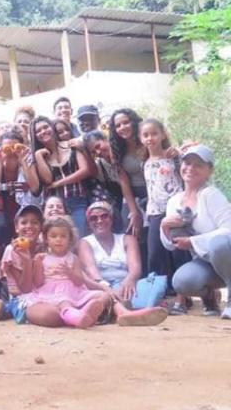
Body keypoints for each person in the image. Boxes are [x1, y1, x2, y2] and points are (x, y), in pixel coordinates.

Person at [161, 145, 231, 319]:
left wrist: (192, 241)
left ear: (209, 171)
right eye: (187, 163)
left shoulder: (211, 194)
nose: (190, 168)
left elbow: (229, 229)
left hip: (225, 255)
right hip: (206, 262)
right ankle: (209, 297)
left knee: (219, 244)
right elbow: (171, 246)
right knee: (181, 282)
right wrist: (164, 227)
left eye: (198, 165)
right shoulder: (174, 201)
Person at [78, 201, 169, 326]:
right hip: (100, 285)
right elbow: (91, 270)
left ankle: (121, 310)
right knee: (102, 295)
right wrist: (107, 288)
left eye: (104, 216)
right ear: (89, 223)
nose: (99, 221)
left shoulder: (128, 239)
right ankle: (125, 312)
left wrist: (130, 280)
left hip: (126, 284)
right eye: (94, 218)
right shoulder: (84, 242)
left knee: (155, 283)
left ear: (112, 218)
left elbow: (135, 268)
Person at [21, 216, 108, 328]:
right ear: (46, 239)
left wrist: (70, 273)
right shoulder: (42, 258)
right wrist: (37, 264)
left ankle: (85, 312)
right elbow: (38, 283)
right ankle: (76, 317)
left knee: (103, 296)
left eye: (63, 236)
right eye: (53, 236)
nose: (58, 239)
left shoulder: (73, 258)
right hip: (51, 293)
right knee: (64, 301)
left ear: (70, 239)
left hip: (74, 292)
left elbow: (79, 281)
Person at [140, 118, 190, 312]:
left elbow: (187, 175)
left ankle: (182, 298)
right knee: (155, 254)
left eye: (154, 133)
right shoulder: (144, 163)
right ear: (141, 138)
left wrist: (179, 154)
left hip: (174, 210)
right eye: (145, 135)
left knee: (179, 252)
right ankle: (157, 298)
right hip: (154, 213)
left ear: (162, 135)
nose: (150, 138)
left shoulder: (174, 157)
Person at [32, 116, 92, 236]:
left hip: (77, 200)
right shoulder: (39, 156)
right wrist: (38, 156)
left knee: (79, 237)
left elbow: (85, 170)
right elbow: (48, 180)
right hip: (54, 206)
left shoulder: (71, 145)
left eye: (45, 127)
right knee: (57, 240)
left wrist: (58, 183)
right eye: (38, 131)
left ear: (52, 128)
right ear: (35, 136)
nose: (43, 131)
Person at [0, 205, 46, 321]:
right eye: (24, 222)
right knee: (30, 311)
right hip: (20, 296)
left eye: (35, 222)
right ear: (17, 227)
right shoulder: (12, 250)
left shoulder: (44, 248)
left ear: (41, 227)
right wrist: (27, 261)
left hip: (42, 295)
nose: (29, 226)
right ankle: (6, 309)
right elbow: (24, 289)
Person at [0, 130, 40, 263]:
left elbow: (34, 187)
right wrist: (0, 163)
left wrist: (23, 161)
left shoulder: (27, 164)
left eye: (15, 148)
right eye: (7, 148)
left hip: (21, 207)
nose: (11, 152)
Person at [83, 130, 142, 234]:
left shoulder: (122, 153)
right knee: (129, 229)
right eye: (93, 152)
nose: (98, 152)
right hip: (129, 198)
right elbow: (91, 171)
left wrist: (134, 211)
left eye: (98, 146)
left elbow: (125, 181)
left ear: (105, 139)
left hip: (143, 191)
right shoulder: (101, 164)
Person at [109, 108, 146, 237]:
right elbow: (123, 181)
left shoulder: (147, 139)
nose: (122, 127)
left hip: (155, 191)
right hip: (133, 193)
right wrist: (134, 211)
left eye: (126, 122)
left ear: (134, 122)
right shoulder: (116, 148)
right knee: (130, 230)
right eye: (118, 125)